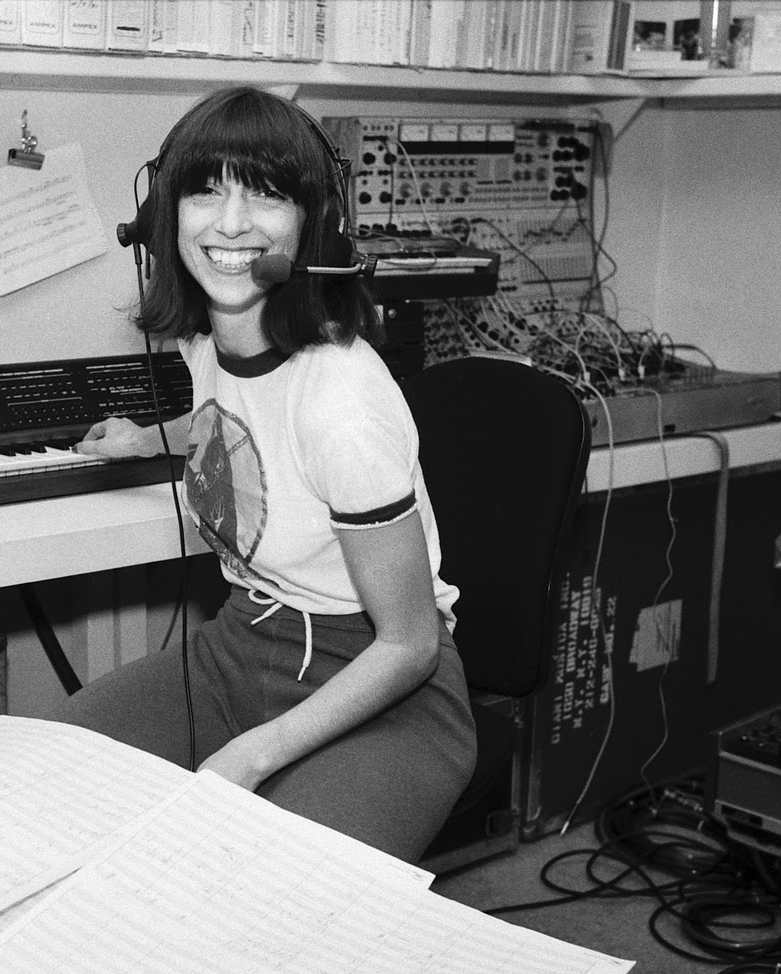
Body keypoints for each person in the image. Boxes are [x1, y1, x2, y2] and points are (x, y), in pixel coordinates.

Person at [27, 86, 475, 864]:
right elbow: (236, 422)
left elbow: (409, 644)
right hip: (241, 644)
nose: (231, 223)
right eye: (206, 190)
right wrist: (146, 438)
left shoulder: (341, 403)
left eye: (265, 193)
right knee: (49, 774)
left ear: (312, 223)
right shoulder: (209, 340)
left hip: (380, 684)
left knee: (259, 876)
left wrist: (253, 753)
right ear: (166, 215)